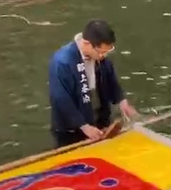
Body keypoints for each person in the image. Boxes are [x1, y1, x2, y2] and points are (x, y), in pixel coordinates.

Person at [48, 20, 139, 148]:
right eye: (101, 52)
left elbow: (111, 80)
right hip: (72, 129)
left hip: (99, 122)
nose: (104, 56)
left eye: (107, 52)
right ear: (87, 43)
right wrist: (83, 126)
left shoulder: (100, 57)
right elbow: (60, 99)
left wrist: (122, 102)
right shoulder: (62, 62)